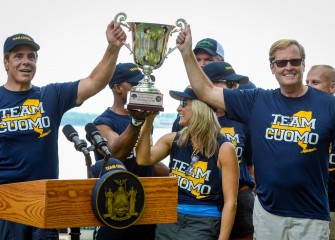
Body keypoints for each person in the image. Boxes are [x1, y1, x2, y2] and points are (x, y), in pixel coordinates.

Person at [176, 26, 335, 240]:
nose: (288, 67)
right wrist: (186, 53)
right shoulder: (257, 101)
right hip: (268, 213)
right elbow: (206, 91)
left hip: (311, 215)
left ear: (303, 64)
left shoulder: (328, 105)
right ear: (272, 67)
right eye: (281, 63)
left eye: (294, 61)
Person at [0, 22, 126, 240]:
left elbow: (94, 82)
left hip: (47, 202)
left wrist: (113, 47)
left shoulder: (51, 96)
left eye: (31, 57)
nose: (25, 62)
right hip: (7, 205)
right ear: (6, 63)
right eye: (18, 56)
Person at [136, 86, 239, 240]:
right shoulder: (173, 140)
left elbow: (231, 202)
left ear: (200, 109)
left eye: (184, 103)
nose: (178, 108)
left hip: (203, 221)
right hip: (170, 217)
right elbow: (143, 159)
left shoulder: (224, 149)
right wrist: (148, 121)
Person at [92, 62, 169, 240]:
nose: (142, 89)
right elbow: (116, 154)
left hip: (144, 206)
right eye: (135, 85)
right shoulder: (103, 123)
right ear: (118, 88)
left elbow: (147, 160)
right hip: (115, 209)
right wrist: (136, 122)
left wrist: (176, 176)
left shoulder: (145, 118)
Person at [202, 61, 255, 240]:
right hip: (204, 200)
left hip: (241, 196)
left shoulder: (243, 120)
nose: (235, 89)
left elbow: (250, 164)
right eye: (230, 84)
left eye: (236, 85)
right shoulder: (186, 120)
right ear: (210, 85)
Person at [306, 65, 335, 240]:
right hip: (307, 208)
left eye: (315, 82)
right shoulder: (302, 119)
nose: (308, 87)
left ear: (333, 87)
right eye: (306, 82)